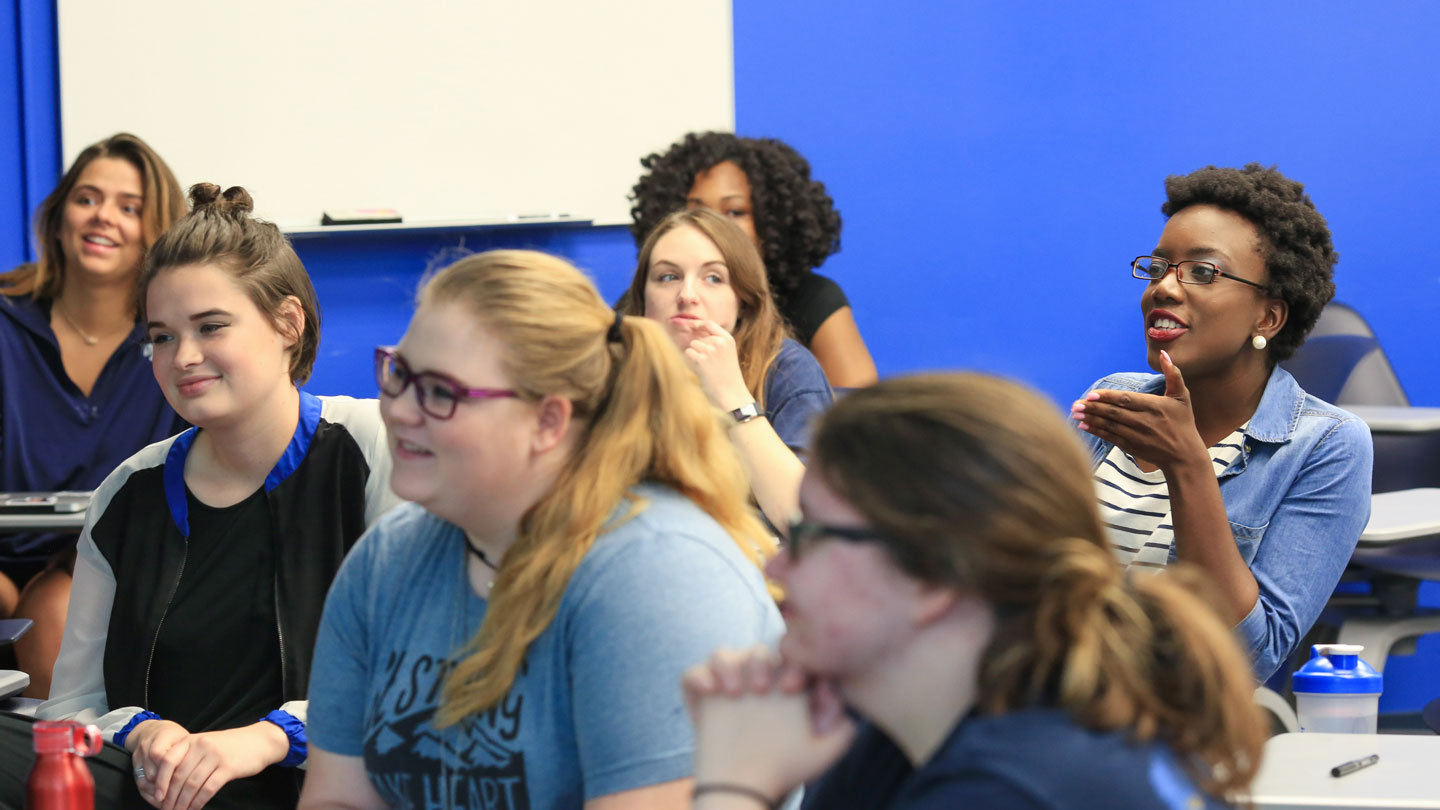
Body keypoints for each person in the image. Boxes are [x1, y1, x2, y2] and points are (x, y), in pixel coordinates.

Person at [297, 250, 784, 810]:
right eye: (399, 374)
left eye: (440, 392)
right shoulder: (388, 557)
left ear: (548, 421)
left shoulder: (661, 575)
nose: (399, 410)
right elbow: (339, 799)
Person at [683, 373, 1268, 810]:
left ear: (932, 577)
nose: (777, 569)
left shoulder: (1010, 785)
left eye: (809, 535)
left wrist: (735, 789)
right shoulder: (910, 729)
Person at [34, 184, 398, 810]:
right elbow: (74, 708)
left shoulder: (376, 450)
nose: (185, 357)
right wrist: (142, 730)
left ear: (289, 323)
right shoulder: (125, 495)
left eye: (210, 327)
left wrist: (272, 738)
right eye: (163, 337)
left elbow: (428, 672)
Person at [1070, 164, 1373, 682]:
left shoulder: (1326, 445)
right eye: (1160, 266)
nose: (1164, 287)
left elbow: (1246, 662)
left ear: (1268, 318)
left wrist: (1188, 466)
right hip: (1049, 698)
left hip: (1172, 729)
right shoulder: (1117, 395)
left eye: (1202, 272)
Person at [0, 132, 187, 698]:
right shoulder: (6, 320)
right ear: (59, 220)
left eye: (129, 207)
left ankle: (58, 782)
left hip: (104, 556)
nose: (103, 217)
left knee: (54, 616)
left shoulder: (178, 341)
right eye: (87, 199)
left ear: (157, 233)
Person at [619, 208, 833, 529]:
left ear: (743, 301)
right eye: (668, 276)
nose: (687, 295)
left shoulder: (787, 370)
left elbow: (805, 523)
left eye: (713, 278)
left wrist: (733, 395)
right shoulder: (613, 366)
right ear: (643, 299)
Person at [630, 132, 877, 388]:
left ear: (770, 222)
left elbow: (860, 408)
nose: (712, 225)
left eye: (735, 212)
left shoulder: (814, 300)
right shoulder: (655, 300)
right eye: (697, 211)